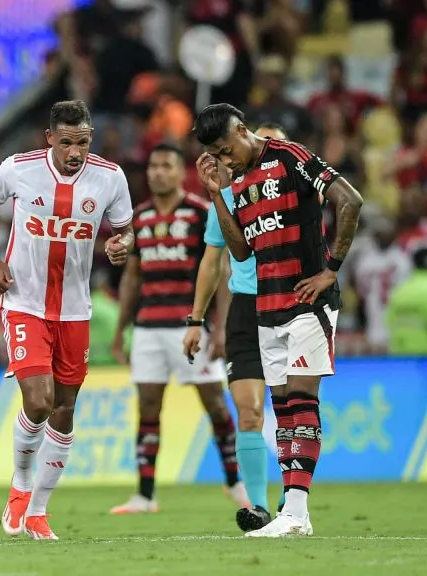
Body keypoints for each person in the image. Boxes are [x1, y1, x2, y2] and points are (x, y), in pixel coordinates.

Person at [194, 103, 363, 537]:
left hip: (309, 300)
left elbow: (349, 199)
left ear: (242, 130)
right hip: (266, 307)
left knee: (303, 399)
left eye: (225, 149)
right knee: (284, 406)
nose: (225, 159)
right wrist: (217, 193)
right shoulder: (240, 182)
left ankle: (295, 511)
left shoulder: (290, 156)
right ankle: (295, 515)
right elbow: (241, 253)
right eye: (216, 154)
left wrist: (332, 268)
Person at [0, 100, 134, 540]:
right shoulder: (19, 168)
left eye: (82, 142)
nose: (74, 152)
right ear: (50, 139)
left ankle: (40, 510)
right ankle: (21, 484)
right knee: (40, 400)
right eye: (65, 143)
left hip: (74, 310)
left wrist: (122, 245)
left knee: (65, 409)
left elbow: (125, 230)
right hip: (24, 301)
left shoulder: (111, 178)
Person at [108, 142, 246, 516]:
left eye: (166, 165)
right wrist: (121, 328)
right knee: (148, 408)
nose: (157, 172)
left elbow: (219, 271)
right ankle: (145, 495)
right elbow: (132, 279)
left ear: (179, 171)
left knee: (216, 405)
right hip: (149, 327)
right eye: (153, 166)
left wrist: (219, 330)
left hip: (191, 327)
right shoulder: (139, 217)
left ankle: (236, 482)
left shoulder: (201, 212)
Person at [182, 123, 289, 532]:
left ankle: (293, 499)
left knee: (289, 412)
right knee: (249, 411)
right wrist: (196, 320)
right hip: (245, 308)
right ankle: (258, 507)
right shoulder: (226, 199)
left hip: (288, 304)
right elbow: (212, 262)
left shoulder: (297, 194)